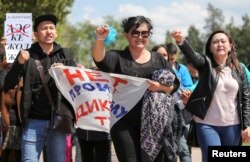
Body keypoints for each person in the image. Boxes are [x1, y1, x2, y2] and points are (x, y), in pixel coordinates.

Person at [92, 15, 180, 162]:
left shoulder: (158, 59)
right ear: (127, 34)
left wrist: (158, 86)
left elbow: (174, 85)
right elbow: (100, 59)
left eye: (144, 33)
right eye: (135, 33)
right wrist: (100, 39)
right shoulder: (117, 57)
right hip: (122, 121)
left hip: (154, 123)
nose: (140, 37)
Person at [3, 14, 77, 162]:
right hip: (33, 121)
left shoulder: (66, 54)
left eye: (51, 28)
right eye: (44, 28)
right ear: (35, 34)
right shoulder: (27, 54)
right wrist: (19, 62)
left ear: (56, 32)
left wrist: (65, 71)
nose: (48, 31)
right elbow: (8, 84)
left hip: (58, 121)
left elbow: (75, 85)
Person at [171, 29, 250, 162]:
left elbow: (245, 98)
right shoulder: (205, 65)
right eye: (215, 42)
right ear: (210, 47)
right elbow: (193, 55)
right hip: (207, 124)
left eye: (223, 41)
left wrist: (247, 125)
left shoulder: (239, 69)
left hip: (233, 125)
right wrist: (181, 41)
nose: (219, 44)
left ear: (230, 46)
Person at [166, 42, 193, 162]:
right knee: (169, 149)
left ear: (176, 56)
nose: (170, 62)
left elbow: (190, 86)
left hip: (182, 112)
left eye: (172, 59)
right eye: (168, 59)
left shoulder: (182, 69)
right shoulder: (159, 68)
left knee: (184, 149)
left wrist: (185, 92)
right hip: (166, 112)